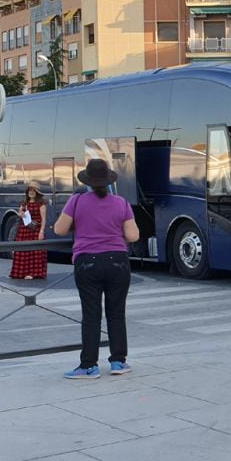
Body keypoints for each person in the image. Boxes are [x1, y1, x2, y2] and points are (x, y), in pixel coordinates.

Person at [54, 159, 140, 380]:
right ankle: (118, 362)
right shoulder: (121, 203)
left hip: (88, 262)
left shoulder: (76, 201)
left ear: (88, 182)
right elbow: (132, 236)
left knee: (91, 315)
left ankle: (89, 365)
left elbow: (60, 229)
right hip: (118, 262)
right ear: (108, 182)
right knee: (116, 313)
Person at [9, 184, 48, 280]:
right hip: (24, 230)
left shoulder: (41, 204)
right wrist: (20, 214)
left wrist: (41, 232)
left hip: (35, 230)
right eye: (30, 191)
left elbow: (43, 219)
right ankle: (21, 273)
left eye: (34, 191)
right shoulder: (24, 203)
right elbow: (19, 213)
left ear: (37, 193)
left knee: (35, 252)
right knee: (22, 251)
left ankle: (33, 273)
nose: (31, 192)